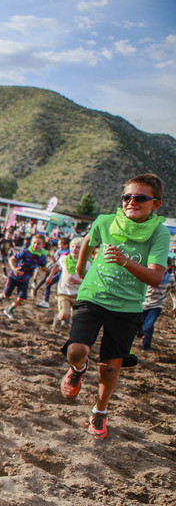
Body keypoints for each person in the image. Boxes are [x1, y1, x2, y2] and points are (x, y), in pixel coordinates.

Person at [59, 173, 169, 439]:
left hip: (128, 306)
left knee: (109, 367)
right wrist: (83, 268)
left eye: (140, 198)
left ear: (155, 204)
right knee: (76, 350)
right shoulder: (106, 221)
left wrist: (125, 262)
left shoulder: (159, 233)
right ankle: (77, 369)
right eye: (127, 197)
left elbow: (155, 277)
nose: (131, 202)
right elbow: (88, 240)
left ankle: (99, 411)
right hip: (93, 296)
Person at [0, 233, 49, 320]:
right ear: (31, 242)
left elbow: (43, 268)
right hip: (13, 276)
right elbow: (11, 259)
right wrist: (14, 269)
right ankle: (2, 295)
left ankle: (9, 309)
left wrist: (54, 270)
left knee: (22, 298)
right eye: (34, 243)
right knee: (7, 295)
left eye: (39, 243)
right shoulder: (25, 252)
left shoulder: (42, 257)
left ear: (43, 245)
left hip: (25, 279)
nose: (35, 245)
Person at [138, 255, 176, 351]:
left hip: (157, 305)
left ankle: (146, 345)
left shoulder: (170, 279)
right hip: (144, 304)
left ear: (169, 267)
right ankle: (145, 344)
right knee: (141, 325)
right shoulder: (150, 274)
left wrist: (175, 304)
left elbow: (174, 292)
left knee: (148, 326)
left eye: (165, 265)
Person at [52, 238, 85, 330]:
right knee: (64, 315)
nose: (74, 249)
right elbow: (56, 265)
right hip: (63, 292)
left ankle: (69, 325)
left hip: (78, 294)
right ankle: (58, 318)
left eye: (78, 247)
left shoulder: (87, 264)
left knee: (77, 317)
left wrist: (78, 282)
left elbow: (89, 280)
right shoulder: (64, 259)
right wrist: (50, 276)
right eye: (72, 247)